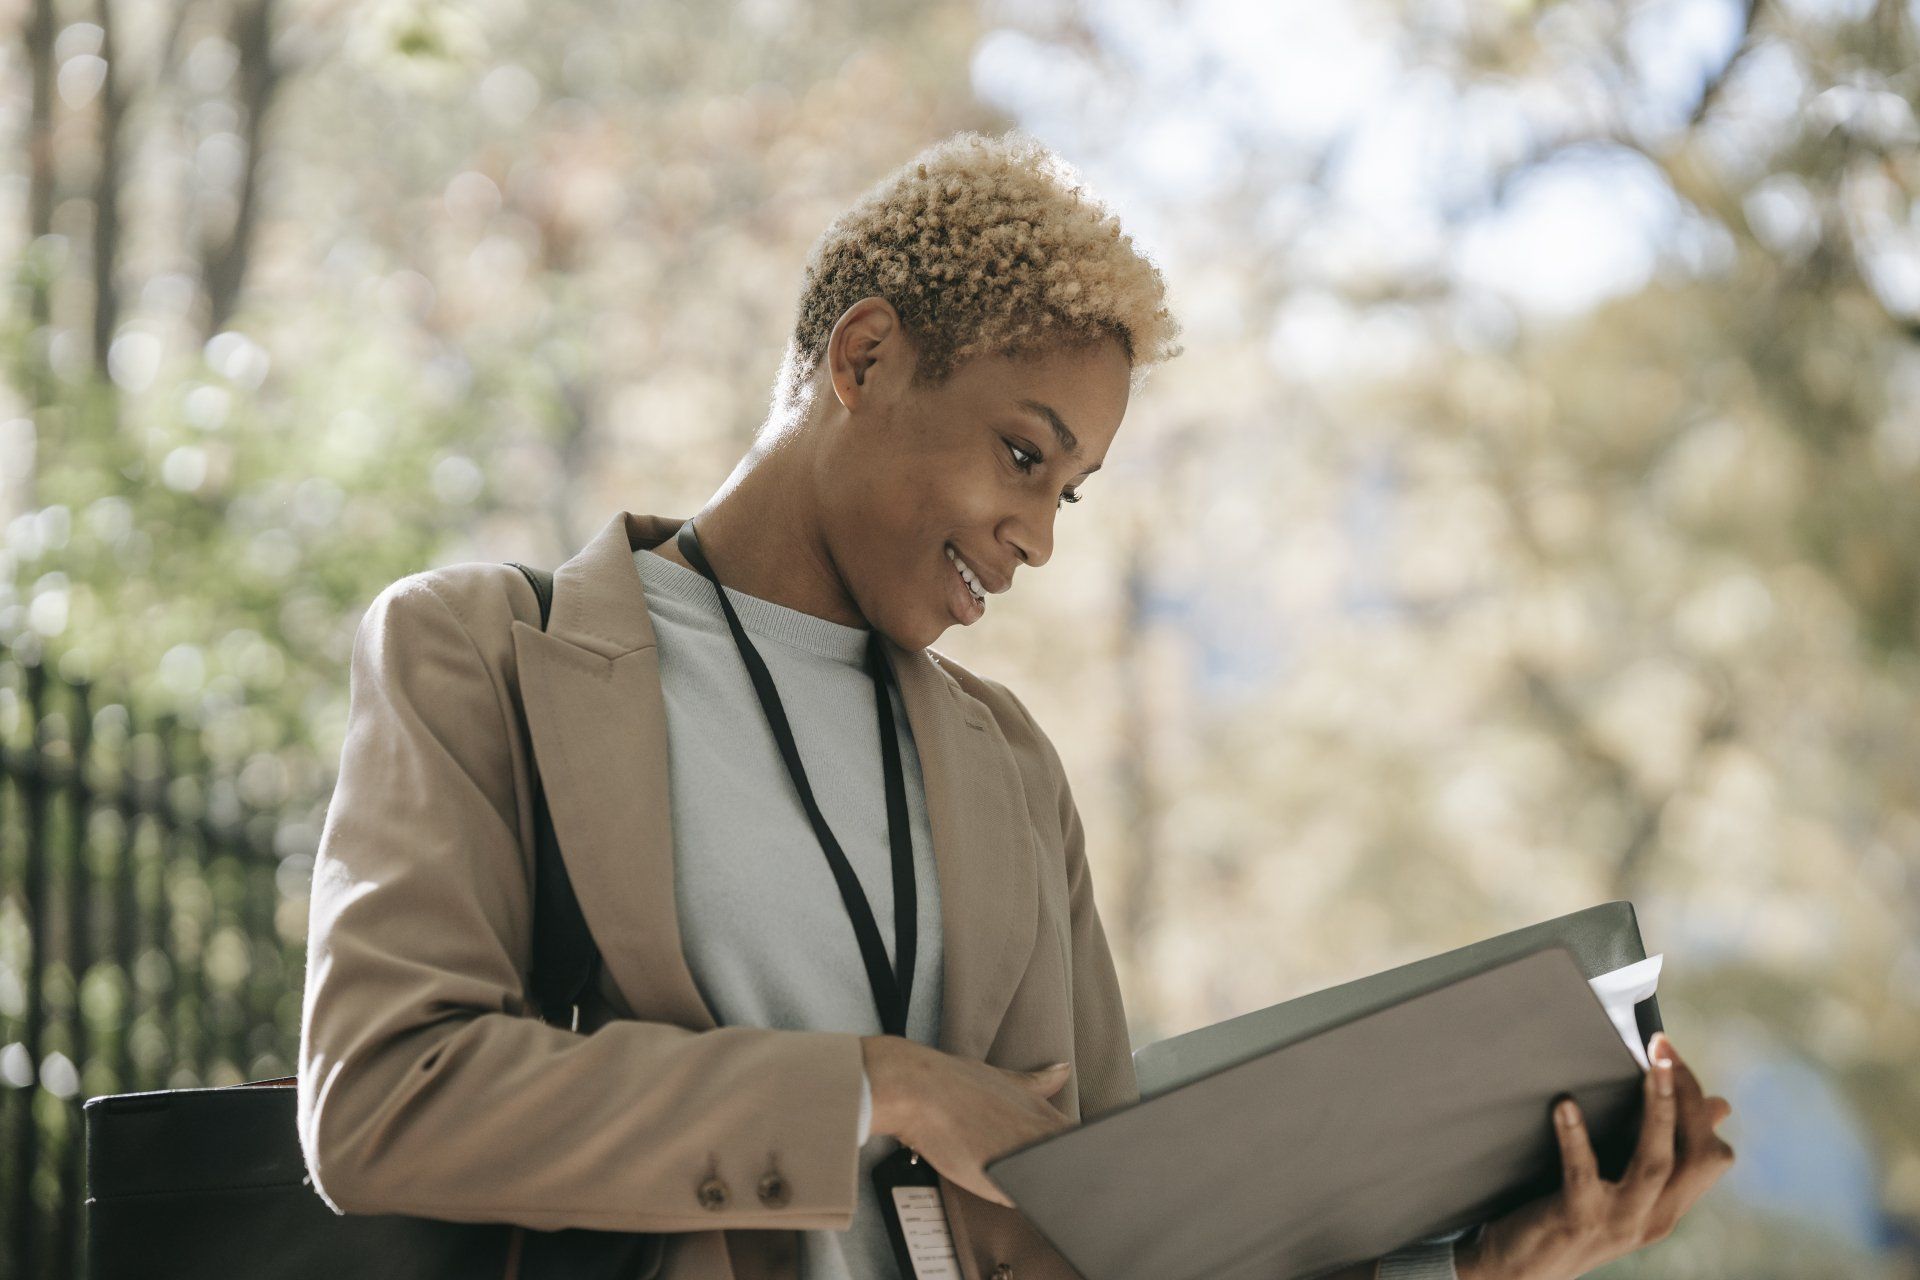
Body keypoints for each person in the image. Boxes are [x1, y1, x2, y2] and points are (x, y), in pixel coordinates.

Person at [297, 130, 1735, 1280]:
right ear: (863, 361)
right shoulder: (484, 653)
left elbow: (1118, 1233)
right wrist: (886, 1087)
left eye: (1071, 490)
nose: (1041, 535)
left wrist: (1483, 1265)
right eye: (1023, 455)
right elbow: (383, 1100)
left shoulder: (1009, 769)